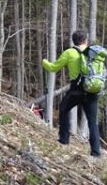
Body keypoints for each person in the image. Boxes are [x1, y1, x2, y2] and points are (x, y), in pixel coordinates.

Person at [42, 30, 103, 158]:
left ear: (73, 41)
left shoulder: (69, 52)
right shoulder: (92, 52)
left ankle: (64, 139)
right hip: (92, 90)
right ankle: (96, 152)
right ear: (85, 40)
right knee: (92, 122)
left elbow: (53, 68)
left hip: (77, 90)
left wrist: (44, 62)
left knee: (64, 109)